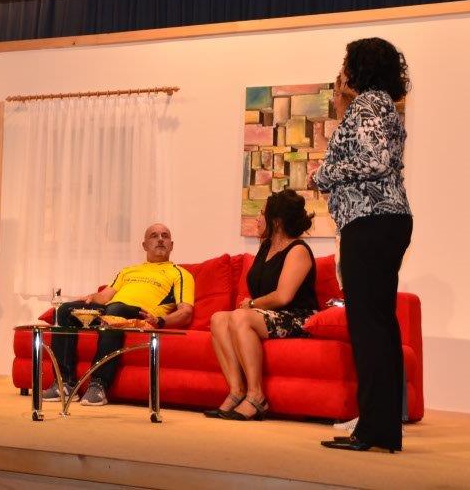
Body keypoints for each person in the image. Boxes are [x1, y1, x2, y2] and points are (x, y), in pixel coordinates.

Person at [314, 37, 412, 453]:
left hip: (370, 222)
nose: (343, 70)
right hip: (387, 220)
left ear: (360, 66)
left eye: (347, 62)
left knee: (368, 327)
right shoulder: (385, 103)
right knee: (380, 326)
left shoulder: (368, 103)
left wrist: (324, 174)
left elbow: (374, 160)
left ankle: (372, 430)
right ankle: (383, 428)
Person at [43, 223, 194, 406]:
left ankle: (98, 385)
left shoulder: (180, 274)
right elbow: (105, 297)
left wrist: (160, 321)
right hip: (111, 310)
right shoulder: (128, 270)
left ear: (172, 245)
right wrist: (91, 298)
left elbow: (186, 311)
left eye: (165, 236)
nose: (160, 239)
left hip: (140, 315)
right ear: (144, 245)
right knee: (65, 310)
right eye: (154, 236)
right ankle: (64, 384)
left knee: (115, 310)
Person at [205, 189, 318, 420]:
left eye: (262, 213)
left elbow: (283, 297)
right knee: (218, 319)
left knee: (240, 316)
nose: (257, 218)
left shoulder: (298, 250)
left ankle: (256, 397)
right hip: (267, 314)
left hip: (298, 316)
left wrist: (252, 304)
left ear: (276, 222)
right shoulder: (266, 247)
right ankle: (237, 391)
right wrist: (252, 306)